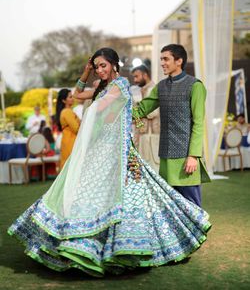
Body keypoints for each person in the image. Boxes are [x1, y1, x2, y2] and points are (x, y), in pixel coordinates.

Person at [8, 47, 211, 277]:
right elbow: (134, 106)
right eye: (96, 67)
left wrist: (194, 154)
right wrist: (88, 75)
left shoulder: (188, 86)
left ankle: (189, 235)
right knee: (154, 197)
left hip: (160, 152)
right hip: (128, 150)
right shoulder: (154, 87)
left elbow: (198, 122)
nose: (99, 70)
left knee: (180, 197)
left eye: (102, 65)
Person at [133, 44, 210, 207]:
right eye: (161, 59)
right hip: (166, 158)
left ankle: (197, 234)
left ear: (179, 61)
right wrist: (116, 103)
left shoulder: (195, 86)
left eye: (166, 59)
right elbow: (141, 110)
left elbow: (198, 123)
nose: (162, 63)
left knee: (192, 206)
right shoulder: (160, 86)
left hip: (186, 158)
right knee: (171, 208)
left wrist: (193, 156)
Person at [132, 65, 160, 172]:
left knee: (153, 170)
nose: (135, 80)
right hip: (143, 136)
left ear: (145, 75)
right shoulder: (143, 90)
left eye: (137, 76)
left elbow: (152, 112)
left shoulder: (153, 89)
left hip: (151, 137)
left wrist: (137, 109)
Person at [55, 89, 80, 170]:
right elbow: (76, 128)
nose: (72, 98)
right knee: (72, 167)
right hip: (71, 141)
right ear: (63, 100)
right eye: (70, 97)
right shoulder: (67, 112)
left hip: (68, 140)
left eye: (72, 96)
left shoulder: (68, 111)